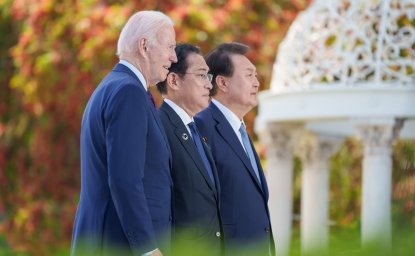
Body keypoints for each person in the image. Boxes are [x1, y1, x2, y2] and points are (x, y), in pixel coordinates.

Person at [71, 10, 177, 256]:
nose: (173, 57)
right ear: (144, 46)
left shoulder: (115, 87)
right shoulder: (128, 92)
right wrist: (147, 248)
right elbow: (125, 179)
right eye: (170, 47)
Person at [195, 42, 275, 255]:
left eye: (256, 75)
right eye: (249, 75)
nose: (257, 83)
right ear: (222, 82)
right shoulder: (201, 125)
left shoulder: (241, 130)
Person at [156, 43, 222, 256]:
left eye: (209, 77)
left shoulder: (197, 130)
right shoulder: (158, 128)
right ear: (174, 80)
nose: (209, 86)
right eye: (202, 75)